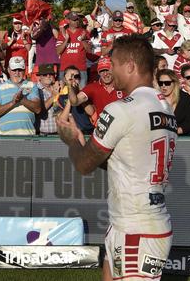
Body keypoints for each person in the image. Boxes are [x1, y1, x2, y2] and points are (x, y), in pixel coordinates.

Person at [57, 34, 176, 281]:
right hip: (138, 221)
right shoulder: (163, 105)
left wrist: (71, 140)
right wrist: (82, 141)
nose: (110, 69)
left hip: (136, 228)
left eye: (114, 64)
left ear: (130, 66)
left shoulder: (123, 108)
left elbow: (83, 164)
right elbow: (124, 161)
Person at [0, 56, 42, 135]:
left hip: (28, 135)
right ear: (8, 70)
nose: (17, 73)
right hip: (6, 136)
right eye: (14, 70)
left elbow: (38, 109)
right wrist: (12, 103)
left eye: (20, 70)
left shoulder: (32, 85)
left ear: (24, 70)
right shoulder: (0, 88)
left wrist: (22, 100)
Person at [69, 56, 123, 123]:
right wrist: (70, 86)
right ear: (98, 73)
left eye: (107, 70)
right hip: (102, 130)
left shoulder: (123, 86)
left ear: (113, 70)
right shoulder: (92, 87)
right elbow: (75, 102)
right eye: (102, 71)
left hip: (122, 129)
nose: (105, 74)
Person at [156, 69, 190, 136]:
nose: (163, 86)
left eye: (167, 83)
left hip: (181, 137)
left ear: (174, 83)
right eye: (160, 83)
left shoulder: (184, 98)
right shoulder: (156, 98)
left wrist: (177, 130)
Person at [57, 12, 90, 86]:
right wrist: (66, 40)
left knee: (81, 93)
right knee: (64, 93)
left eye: (77, 19)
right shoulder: (63, 33)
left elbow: (89, 50)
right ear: (68, 21)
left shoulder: (84, 32)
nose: (77, 21)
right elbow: (58, 51)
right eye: (74, 20)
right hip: (65, 69)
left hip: (81, 68)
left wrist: (83, 40)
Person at [34, 63, 59, 135]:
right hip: (42, 133)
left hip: (58, 132)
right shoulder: (35, 89)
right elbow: (38, 110)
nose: (48, 76)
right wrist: (53, 96)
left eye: (51, 74)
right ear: (40, 76)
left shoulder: (58, 88)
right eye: (45, 74)